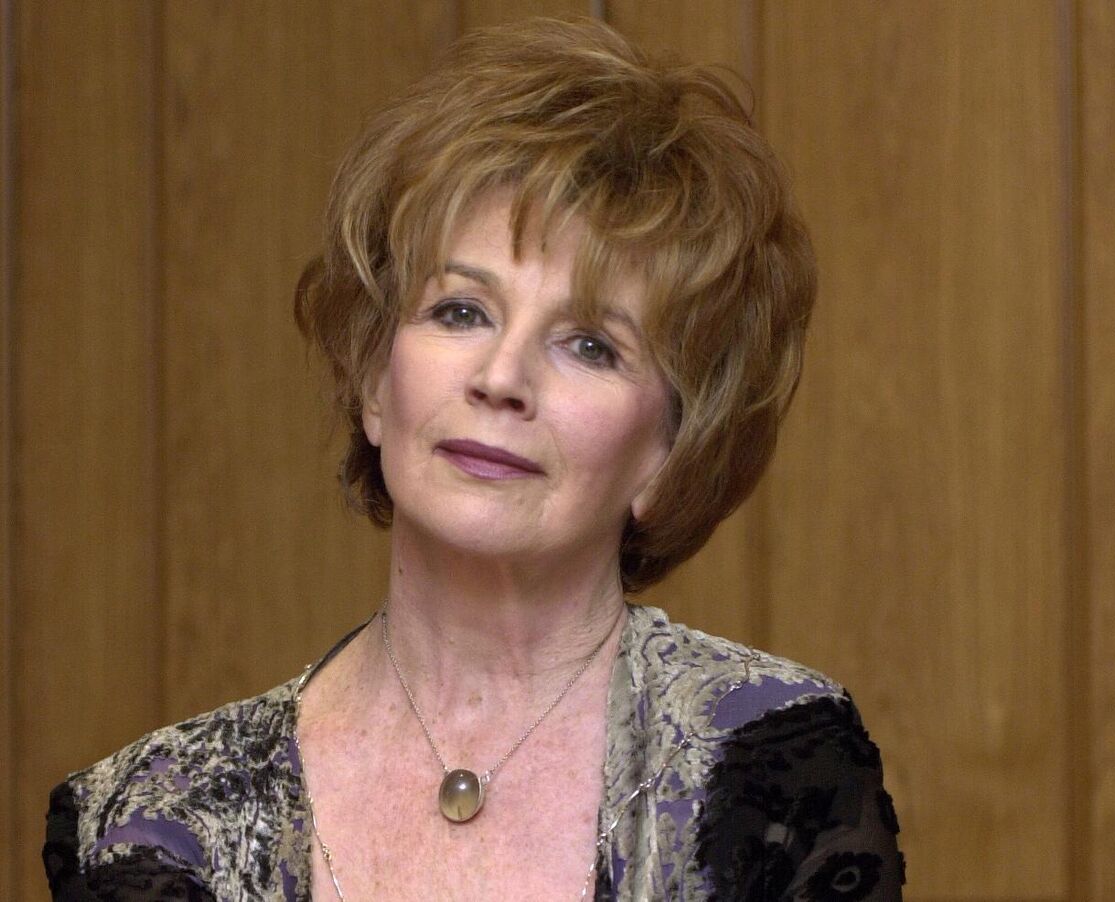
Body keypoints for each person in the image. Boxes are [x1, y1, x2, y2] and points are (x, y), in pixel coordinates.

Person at [43, 17, 903, 901]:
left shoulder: (774, 765)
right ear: (378, 380)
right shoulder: (152, 823)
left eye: (590, 346)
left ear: (670, 450)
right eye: (460, 312)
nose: (501, 378)